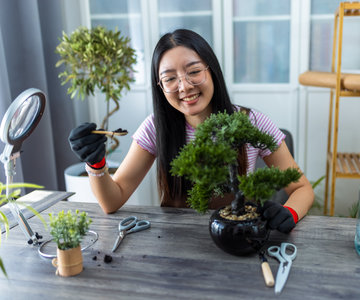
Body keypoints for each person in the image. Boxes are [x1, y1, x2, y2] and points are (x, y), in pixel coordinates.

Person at [69, 29, 314, 233]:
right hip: (175, 243)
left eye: (194, 71)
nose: (184, 86)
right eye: (170, 78)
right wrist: (96, 163)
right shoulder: (156, 128)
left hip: (238, 236)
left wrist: (289, 212)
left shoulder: (252, 122)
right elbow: (112, 200)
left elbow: (301, 188)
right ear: (160, 87)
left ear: (212, 71)